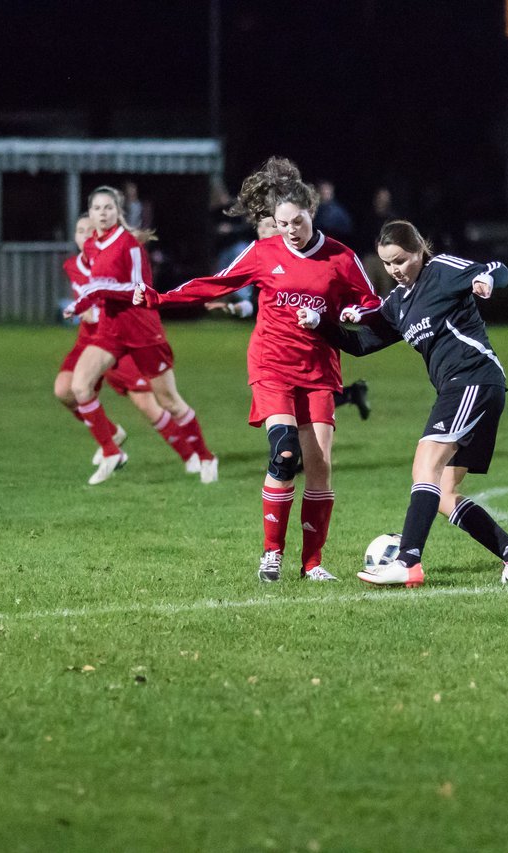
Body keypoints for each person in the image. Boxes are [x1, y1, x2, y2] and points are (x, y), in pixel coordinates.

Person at [134, 157, 382, 582]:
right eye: (282, 222)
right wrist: (159, 298)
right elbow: (215, 284)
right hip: (272, 365)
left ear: (311, 213)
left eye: (297, 221)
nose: (290, 229)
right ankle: (271, 554)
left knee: (319, 466)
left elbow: (372, 302)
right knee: (284, 453)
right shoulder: (263, 252)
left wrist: (351, 314)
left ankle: (312, 565)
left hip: (320, 368)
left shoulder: (340, 257)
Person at [304, 220, 508, 588]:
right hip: (463, 388)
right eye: (387, 263)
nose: (395, 270)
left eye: (401, 260)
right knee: (444, 494)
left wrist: (488, 281)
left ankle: (408, 561)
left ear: (419, 250)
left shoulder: (441, 271)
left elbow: (498, 269)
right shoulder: (399, 302)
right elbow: (362, 344)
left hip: (473, 379)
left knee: (424, 465)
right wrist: (321, 323)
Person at [65, 186, 218, 485]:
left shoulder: (129, 245)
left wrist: (97, 292)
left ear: (118, 212)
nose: (103, 213)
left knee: (170, 401)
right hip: (111, 330)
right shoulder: (93, 246)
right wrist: (83, 303)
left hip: (141, 330)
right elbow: (95, 287)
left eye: (109, 208)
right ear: (91, 212)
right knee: (80, 387)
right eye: (97, 208)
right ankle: (111, 451)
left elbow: (139, 290)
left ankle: (205, 456)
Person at [205, 216, 373, 420]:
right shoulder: (265, 260)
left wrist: (348, 311)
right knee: (287, 418)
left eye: (270, 226)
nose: (263, 231)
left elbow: (356, 300)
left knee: (306, 405)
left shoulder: (314, 262)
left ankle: (349, 394)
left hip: (313, 355)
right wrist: (230, 308)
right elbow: (252, 303)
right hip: (278, 356)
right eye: (260, 227)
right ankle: (350, 394)